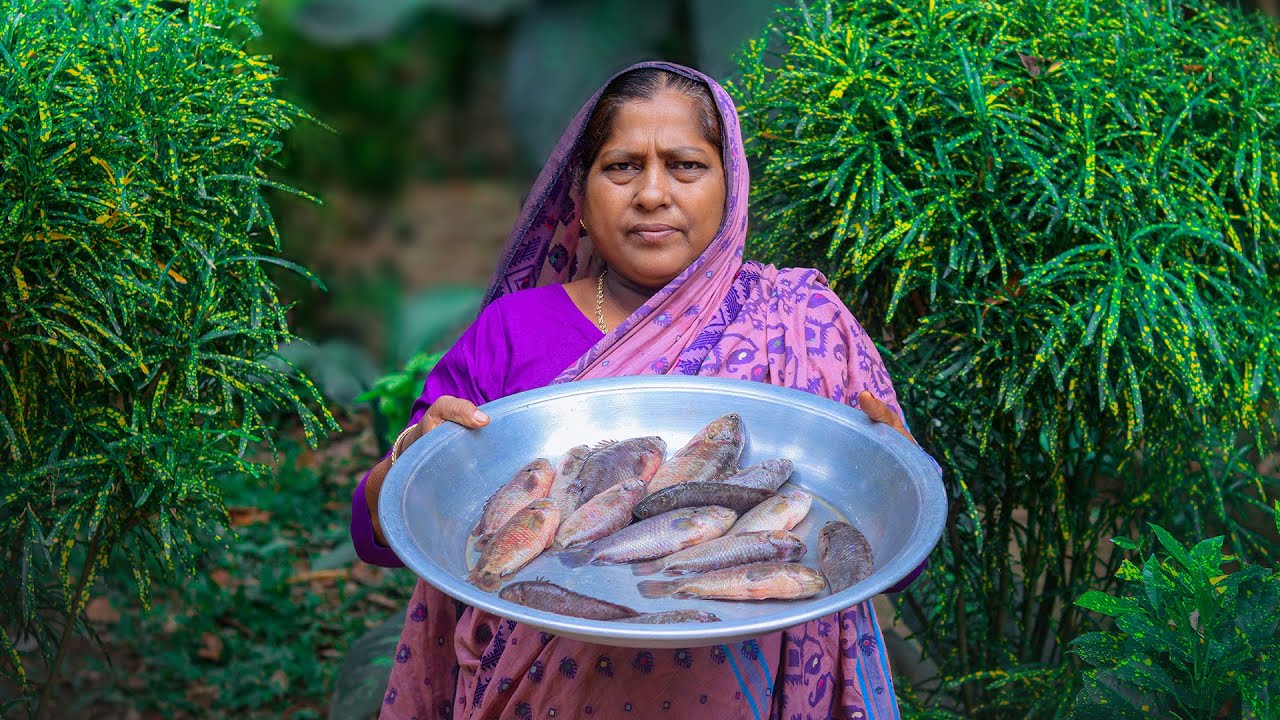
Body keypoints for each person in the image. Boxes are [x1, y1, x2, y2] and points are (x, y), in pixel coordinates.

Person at [351, 61, 928, 720]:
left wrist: (894, 475)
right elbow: (380, 535)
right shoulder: (514, 331)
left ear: (730, 182)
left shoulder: (801, 320)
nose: (652, 193)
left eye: (685, 165)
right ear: (582, 190)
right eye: (622, 167)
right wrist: (411, 463)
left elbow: (889, 562)